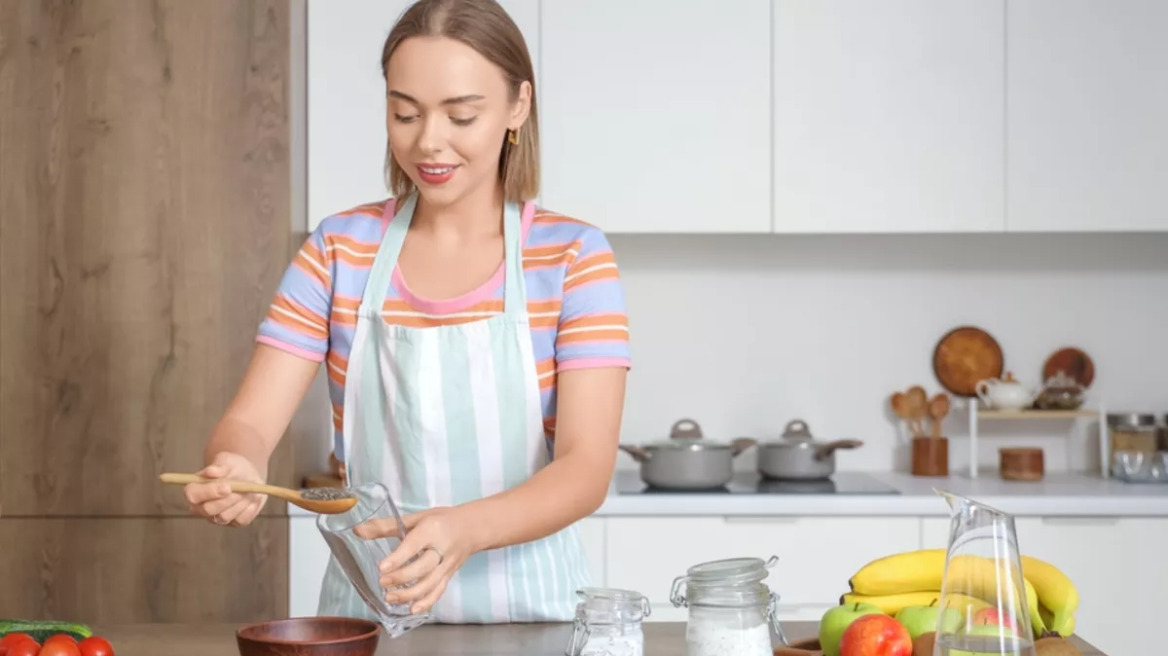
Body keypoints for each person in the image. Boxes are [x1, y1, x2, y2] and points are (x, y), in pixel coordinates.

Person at [182, 0, 629, 624]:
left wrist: (463, 530)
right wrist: (237, 463)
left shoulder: (573, 257)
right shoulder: (339, 250)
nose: (428, 142)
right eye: (405, 113)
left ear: (517, 108)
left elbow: (586, 469)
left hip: (535, 620)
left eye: (461, 115)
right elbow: (250, 423)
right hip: (370, 618)